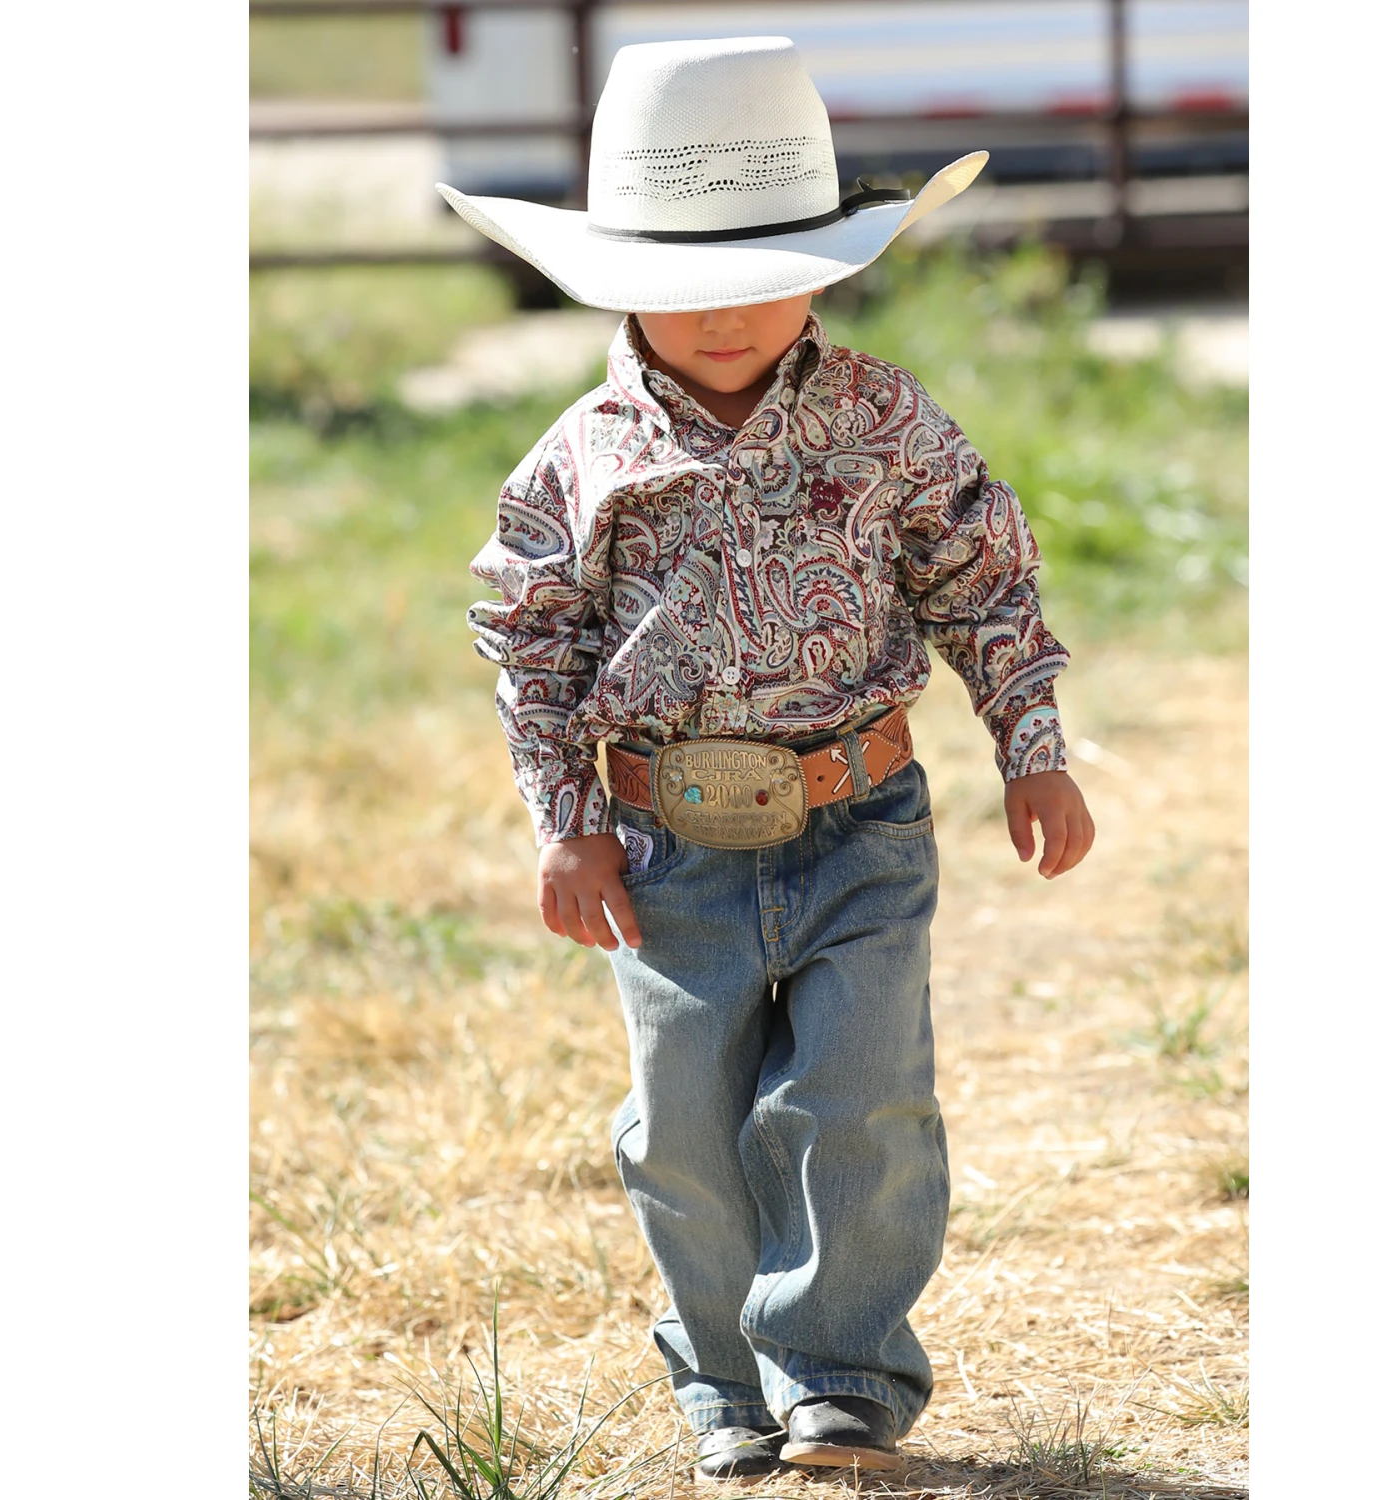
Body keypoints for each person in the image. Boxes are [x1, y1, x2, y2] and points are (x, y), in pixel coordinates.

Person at [447, 35, 1095, 1480]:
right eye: (687, 288)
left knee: (853, 1097)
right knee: (683, 1125)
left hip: (859, 815)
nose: (728, 314)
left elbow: (982, 577)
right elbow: (532, 644)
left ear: (827, 261)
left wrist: (1032, 743)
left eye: (762, 273)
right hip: (667, 846)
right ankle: (723, 1389)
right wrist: (566, 823)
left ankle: (842, 1375)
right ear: (620, 282)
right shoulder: (579, 458)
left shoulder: (886, 424)